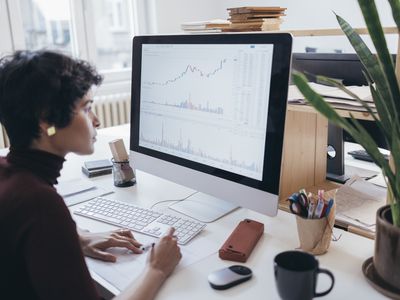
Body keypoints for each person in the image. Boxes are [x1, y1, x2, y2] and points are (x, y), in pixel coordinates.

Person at [0, 50, 182, 300]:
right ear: (46, 120)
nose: (96, 121)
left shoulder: (7, 173)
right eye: (86, 109)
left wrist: (77, 239)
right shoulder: (40, 203)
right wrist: (157, 268)